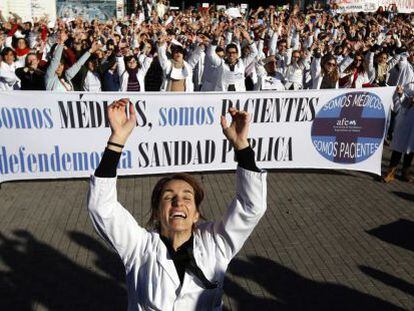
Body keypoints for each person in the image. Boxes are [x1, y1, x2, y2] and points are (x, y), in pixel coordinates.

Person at [87, 99, 267, 310]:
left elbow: (251, 206)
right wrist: (117, 139)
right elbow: (102, 207)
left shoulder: (217, 244)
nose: (178, 201)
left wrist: (241, 146)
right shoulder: (139, 247)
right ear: (156, 212)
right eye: (168, 196)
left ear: (196, 214)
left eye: (187, 197)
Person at [382, 84, 414, 183]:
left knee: (411, 148)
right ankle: (391, 172)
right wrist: (401, 94)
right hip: (406, 120)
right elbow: (405, 102)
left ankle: (405, 172)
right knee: (398, 147)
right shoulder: (411, 85)